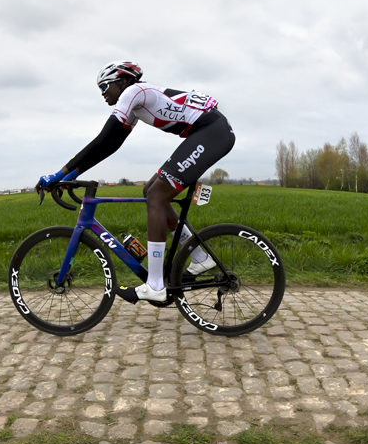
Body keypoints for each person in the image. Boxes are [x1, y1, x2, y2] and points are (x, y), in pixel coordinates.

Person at [36, 61, 235, 304]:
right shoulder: (136, 102)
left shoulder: (133, 93)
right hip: (208, 132)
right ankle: (199, 256)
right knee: (150, 190)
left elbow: (103, 138)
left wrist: (59, 173)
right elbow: (109, 146)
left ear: (122, 81)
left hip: (212, 132)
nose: (103, 93)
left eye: (105, 86)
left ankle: (155, 284)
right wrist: (70, 174)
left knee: (157, 196)